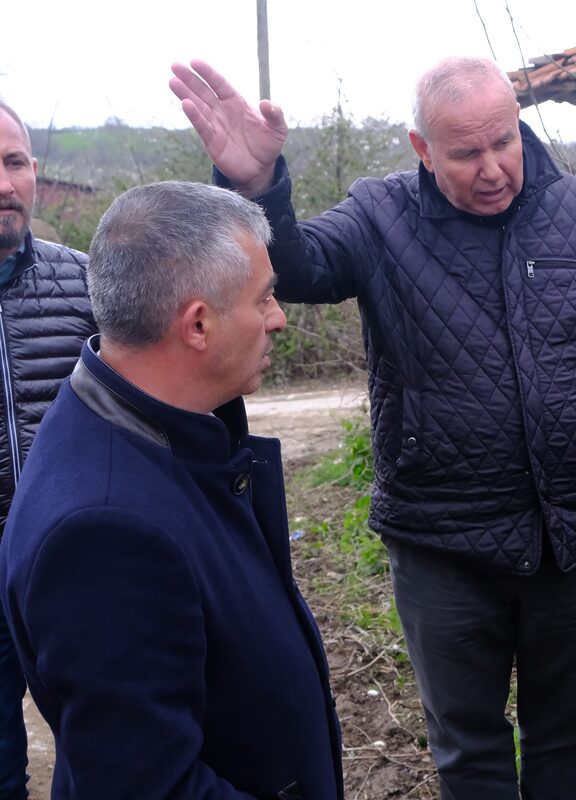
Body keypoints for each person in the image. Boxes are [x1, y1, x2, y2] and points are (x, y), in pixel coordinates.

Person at [169, 56, 576, 798]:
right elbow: (298, 269)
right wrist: (255, 186)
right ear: (421, 148)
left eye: (505, 141)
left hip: (572, 538)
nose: (494, 167)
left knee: (570, 735)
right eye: (467, 152)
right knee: (469, 748)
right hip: (444, 546)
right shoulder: (379, 215)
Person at [0, 181, 343, 799]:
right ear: (198, 324)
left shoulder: (136, 419)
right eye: (264, 298)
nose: (279, 318)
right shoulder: (103, 533)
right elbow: (149, 786)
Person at [0, 101, 95, 800]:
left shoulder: (91, 283)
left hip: (75, 564)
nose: (3, 185)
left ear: (34, 171)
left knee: (108, 751)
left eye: (11, 163)